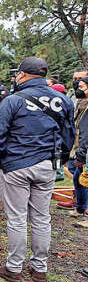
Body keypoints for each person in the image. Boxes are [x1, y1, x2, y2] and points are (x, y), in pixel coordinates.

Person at [0, 57, 75, 282]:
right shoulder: (63, 100)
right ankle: (39, 268)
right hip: (47, 165)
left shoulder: (13, 101)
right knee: (42, 217)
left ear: (23, 75)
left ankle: (14, 268)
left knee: (17, 218)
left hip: (16, 165)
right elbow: (68, 136)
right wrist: (60, 159)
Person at [59, 72, 88, 216]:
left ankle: (82, 207)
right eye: (75, 80)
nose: (78, 85)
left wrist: (82, 153)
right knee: (78, 178)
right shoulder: (79, 101)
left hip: (84, 149)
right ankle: (80, 206)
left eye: (82, 84)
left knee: (81, 178)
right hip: (79, 146)